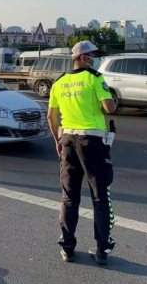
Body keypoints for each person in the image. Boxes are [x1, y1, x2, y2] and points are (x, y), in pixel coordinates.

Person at [47, 40, 118, 265]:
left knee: (69, 197)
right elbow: (109, 108)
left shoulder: (60, 82)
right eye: (91, 55)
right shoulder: (95, 79)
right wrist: (111, 97)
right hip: (92, 142)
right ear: (81, 57)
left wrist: (58, 139)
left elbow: (51, 116)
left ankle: (67, 247)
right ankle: (101, 250)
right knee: (99, 197)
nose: (94, 59)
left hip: (67, 139)